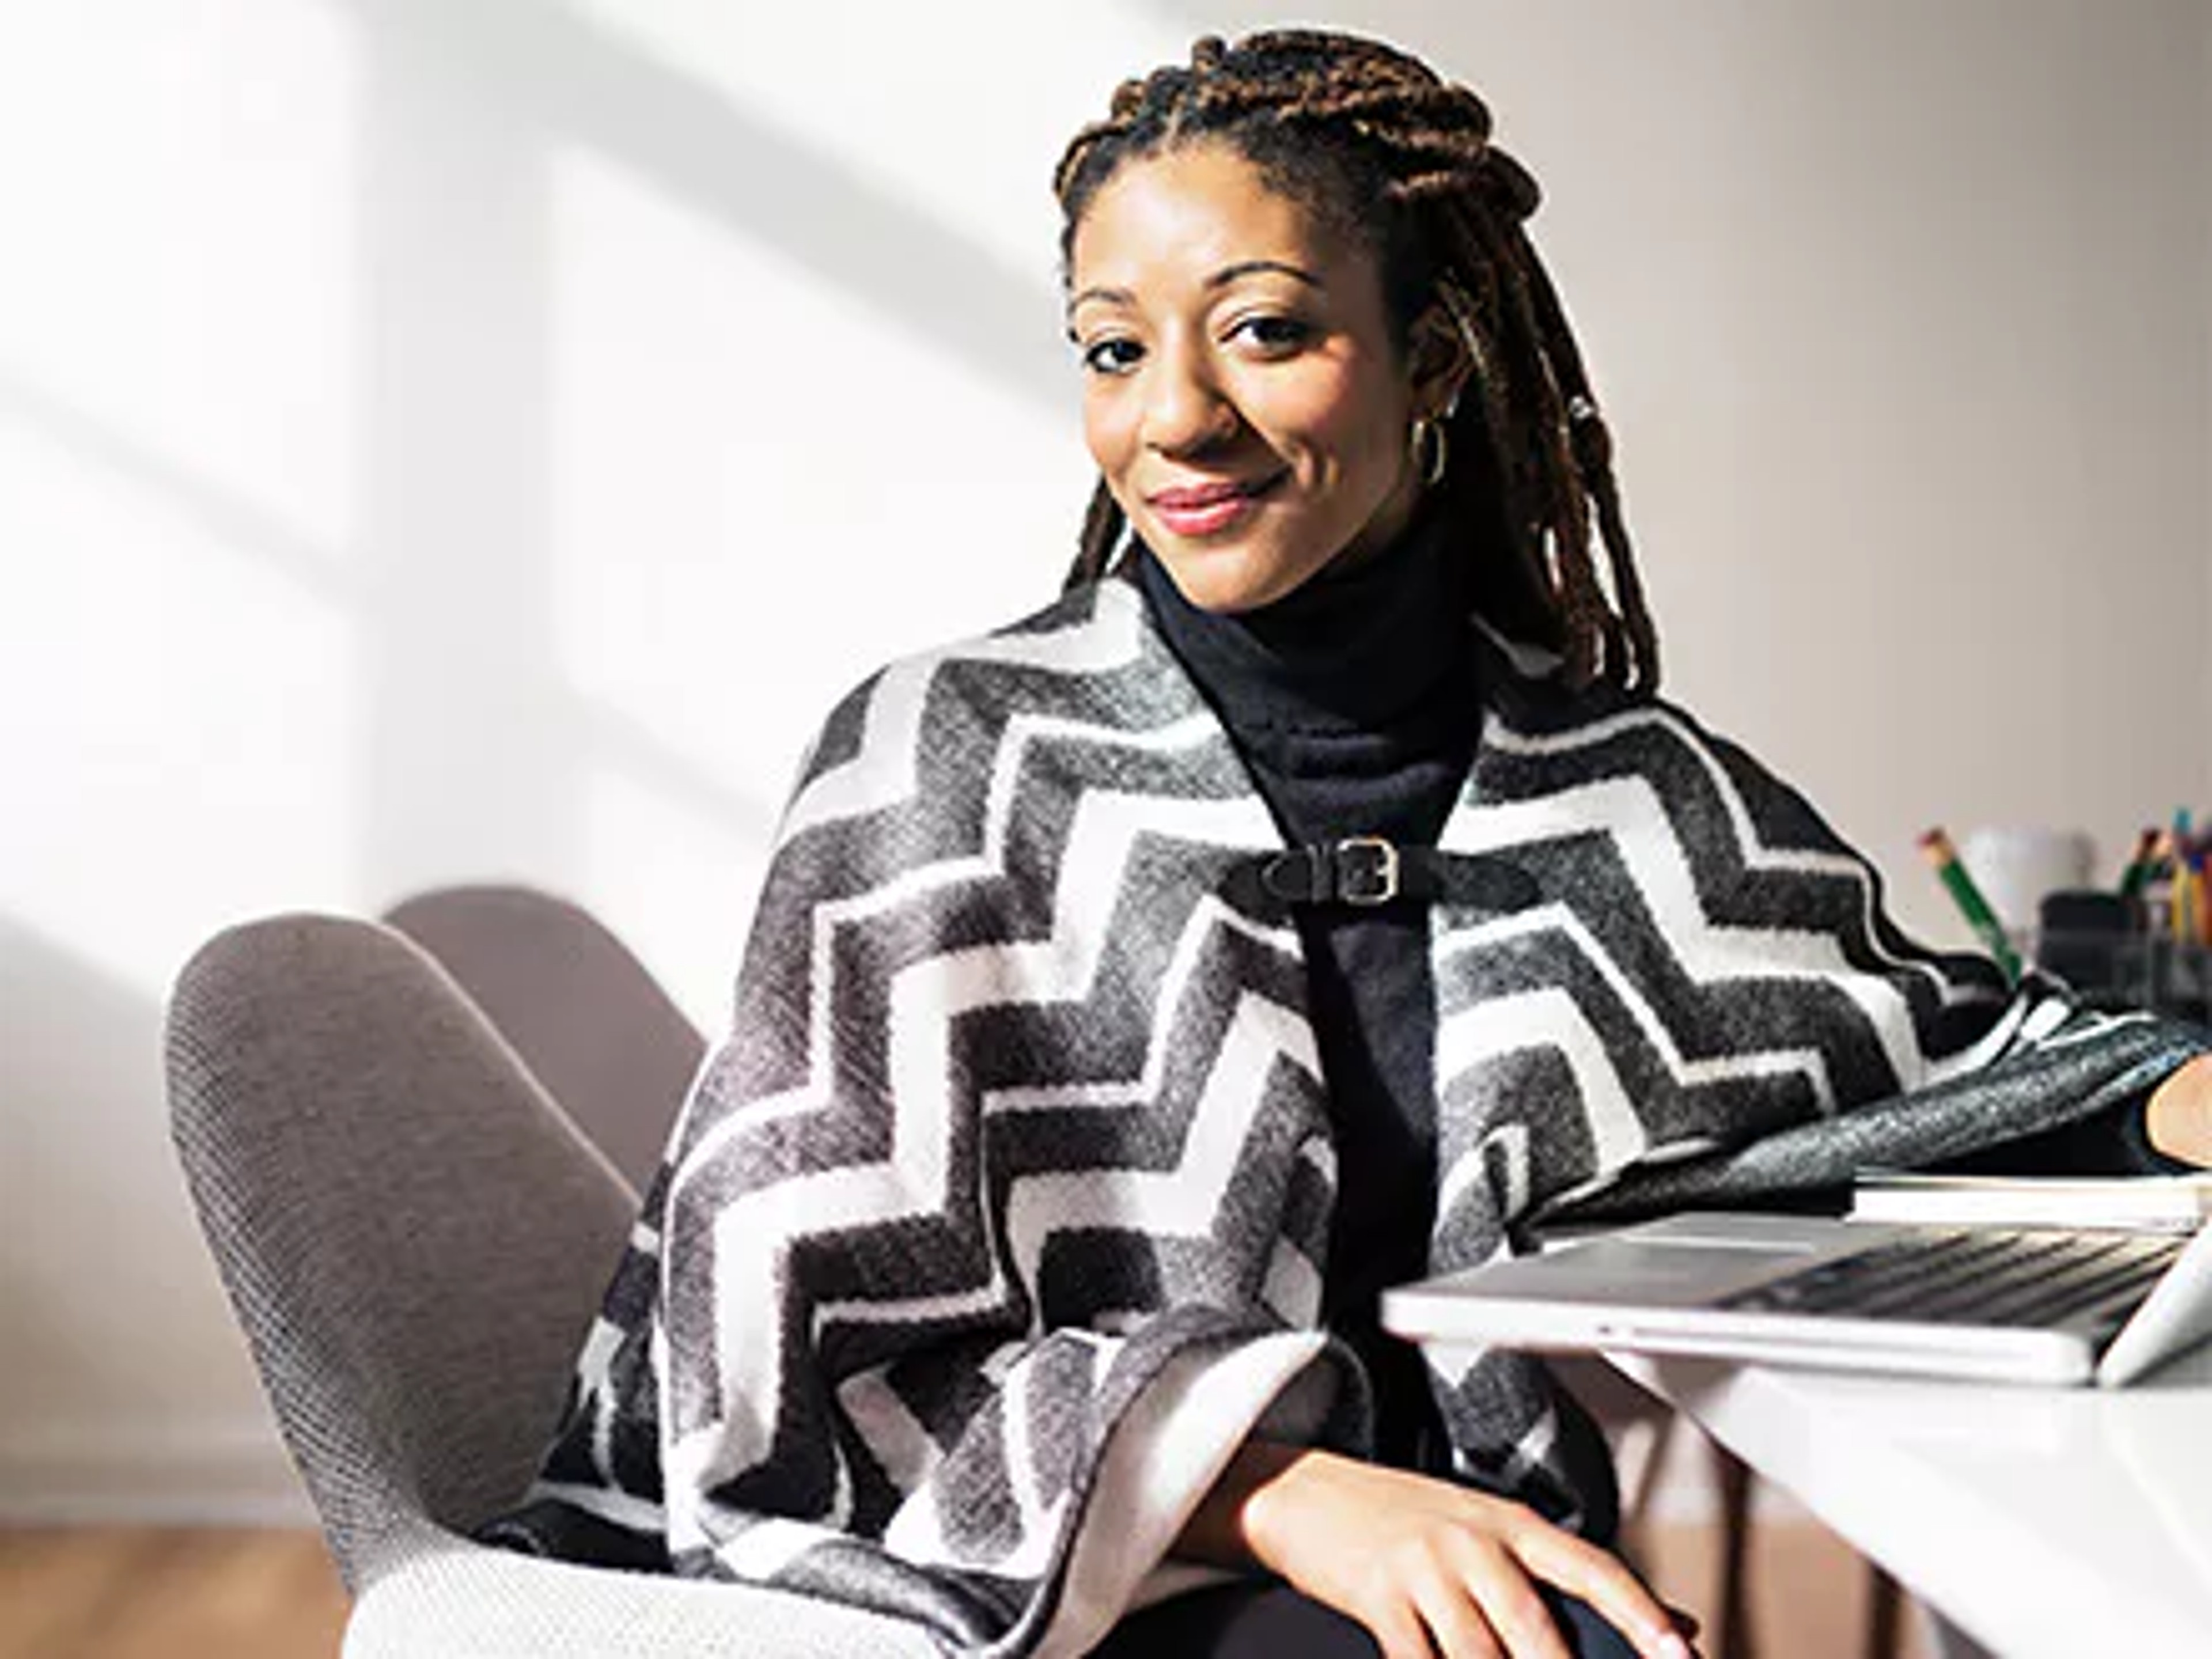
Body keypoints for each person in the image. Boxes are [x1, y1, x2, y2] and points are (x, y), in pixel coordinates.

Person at [484, 29, 2212, 1659]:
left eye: (1263, 330)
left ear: (1433, 354)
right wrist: (1280, 1494)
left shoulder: (1612, 788)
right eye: (1112, 346)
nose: (1173, 419)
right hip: (1003, 1578)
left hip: (1442, 1538)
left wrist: (2165, 1096)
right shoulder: (944, 765)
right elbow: (777, 1372)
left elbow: (1950, 1062)